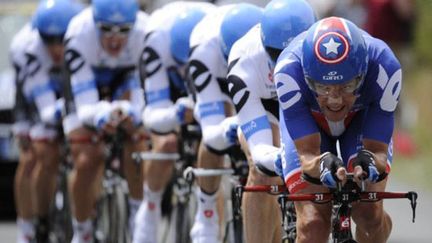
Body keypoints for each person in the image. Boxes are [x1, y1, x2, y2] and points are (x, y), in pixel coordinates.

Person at [274, 16, 400, 243]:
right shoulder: (288, 70)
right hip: (311, 123)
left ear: (363, 74)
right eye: (322, 87)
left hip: (361, 118)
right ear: (307, 78)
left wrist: (370, 161)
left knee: (369, 214)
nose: (334, 100)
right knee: (313, 224)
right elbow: (308, 155)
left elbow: (378, 152)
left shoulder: (385, 66)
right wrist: (320, 163)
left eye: (347, 86)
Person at [226, 0, 316, 242]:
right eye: (276, 54)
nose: (285, 61)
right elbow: (259, 146)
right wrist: (281, 158)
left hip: (308, 103)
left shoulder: (326, 49)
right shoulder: (244, 59)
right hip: (267, 108)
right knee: (261, 170)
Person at [63, 0, 149, 242]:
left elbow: (144, 96)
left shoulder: (145, 30)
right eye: (106, 29)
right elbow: (85, 107)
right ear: (94, 24)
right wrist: (100, 115)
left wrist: (131, 112)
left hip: (125, 78)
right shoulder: (79, 32)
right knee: (86, 157)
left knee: (138, 139)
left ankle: (136, 216)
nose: (115, 39)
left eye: (123, 30)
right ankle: (82, 231)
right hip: (87, 83)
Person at [134, 2, 214, 243]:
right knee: (166, 142)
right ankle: (150, 206)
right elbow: (153, 114)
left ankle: (209, 221)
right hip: (166, 83)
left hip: (209, 72)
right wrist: (176, 116)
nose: (185, 74)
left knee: (211, 149)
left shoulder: (214, 40)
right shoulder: (156, 42)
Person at [187, 3, 263, 242]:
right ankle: (206, 213)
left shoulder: (263, 48)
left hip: (257, 72)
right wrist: (230, 126)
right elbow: (211, 128)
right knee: (214, 141)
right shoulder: (204, 51)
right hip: (214, 75)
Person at [13, 0, 83, 241]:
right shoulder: (26, 48)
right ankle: (32, 224)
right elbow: (43, 109)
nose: (56, 48)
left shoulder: (81, 41)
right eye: (48, 40)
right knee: (36, 153)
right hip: (34, 96)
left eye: (61, 39)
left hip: (67, 86)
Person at [9, 20, 38, 243]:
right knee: (29, 157)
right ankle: (26, 226)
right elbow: (21, 93)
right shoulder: (24, 44)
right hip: (31, 102)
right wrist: (23, 128)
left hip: (65, 93)